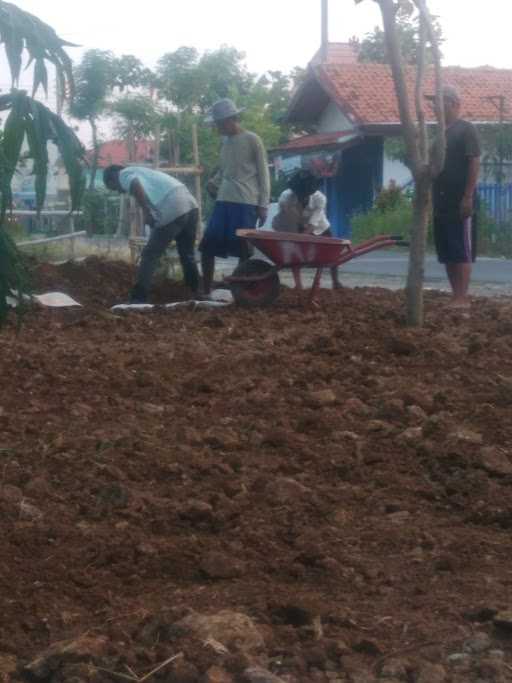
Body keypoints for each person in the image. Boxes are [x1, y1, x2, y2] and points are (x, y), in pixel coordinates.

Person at [200, 98, 271, 296]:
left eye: (218, 124)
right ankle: (205, 291)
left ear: (230, 120)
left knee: (244, 250)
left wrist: (263, 204)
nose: (217, 128)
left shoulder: (252, 139)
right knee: (208, 245)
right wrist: (213, 183)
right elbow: (224, 171)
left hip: (246, 202)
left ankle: (243, 291)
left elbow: (263, 174)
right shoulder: (225, 142)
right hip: (223, 200)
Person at [103, 165, 200, 303]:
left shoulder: (123, 174)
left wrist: (147, 211)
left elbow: (134, 183)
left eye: (114, 188)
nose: (119, 191)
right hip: (190, 204)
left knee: (149, 254)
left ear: (112, 179)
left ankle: (139, 298)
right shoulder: (142, 170)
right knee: (187, 253)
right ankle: (194, 292)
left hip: (172, 204)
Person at [432, 85, 481, 308]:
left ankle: (462, 297)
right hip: (440, 200)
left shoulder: (466, 129)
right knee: (448, 248)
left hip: (459, 199)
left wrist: (468, 196)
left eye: (438, 101)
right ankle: (455, 295)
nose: (434, 106)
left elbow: (474, 161)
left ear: (452, 103)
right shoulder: (440, 133)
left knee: (461, 248)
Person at [272, 169, 342, 289]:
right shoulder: (285, 198)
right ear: (294, 191)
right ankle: (298, 284)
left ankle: (335, 282)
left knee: (333, 252)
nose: (301, 197)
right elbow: (285, 221)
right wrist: (292, 237)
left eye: (305, 194)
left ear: (311, 192)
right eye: (299, 193)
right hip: (297, 226)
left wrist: (302, 236)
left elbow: (314, 223)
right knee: (295, 255)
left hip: (320, 227)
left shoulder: (320, 199)